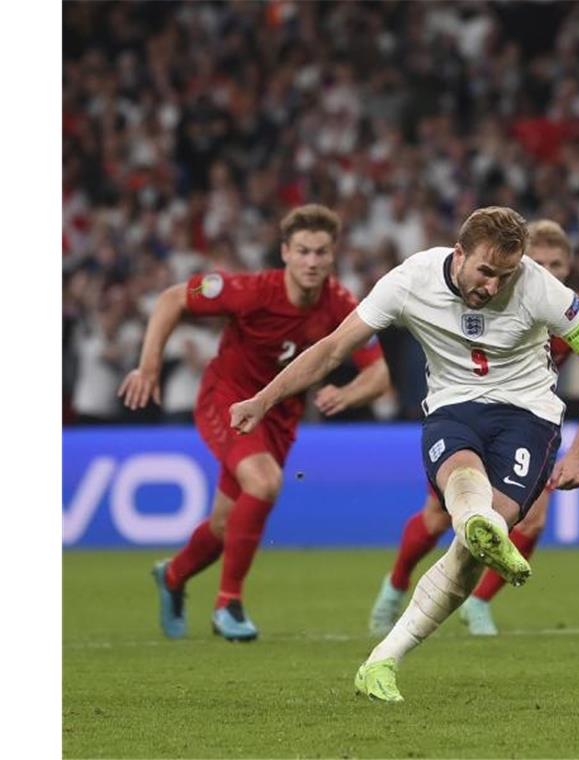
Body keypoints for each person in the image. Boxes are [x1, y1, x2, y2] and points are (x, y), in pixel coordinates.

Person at [228, 206, 579, 702]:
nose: (492, 286)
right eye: (485, 271)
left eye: (505, 275)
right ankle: (480, 525)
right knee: (469, 497)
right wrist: (263, 399)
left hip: (528, 416)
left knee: (470, 551)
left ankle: (382, 660)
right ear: (458, 254)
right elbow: (334, 350)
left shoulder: (540, 287)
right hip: (452, 407)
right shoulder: (410, 280)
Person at [119, 204, 390, 642]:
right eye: (302, 251)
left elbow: (380, 373)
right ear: (284, 252)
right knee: (263, 483)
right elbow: (172, 299)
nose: (312, 261)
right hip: (228, 400)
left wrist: (348, 393)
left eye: (321, 252)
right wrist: (148, 366)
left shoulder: (341, 304)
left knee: (228, 525)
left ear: (333, 254)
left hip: (279, 417)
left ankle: (173, 575)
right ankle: (229, 604)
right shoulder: (251, 291)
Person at [368, 219, 579, 637]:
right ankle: (394, 586)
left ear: (569, 268)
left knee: (530, 521)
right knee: (437, 519)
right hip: (468, 415)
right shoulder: (496, 296)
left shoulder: (572, 308)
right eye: (540, 262)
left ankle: (479, 602)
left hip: (526, 423)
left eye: (557, 263)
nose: (548, 271)